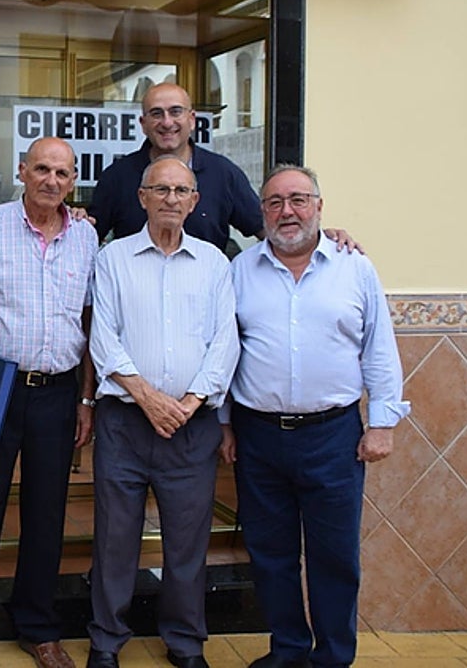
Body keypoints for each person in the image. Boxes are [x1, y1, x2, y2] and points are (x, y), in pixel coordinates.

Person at [219, 165, 409, 668]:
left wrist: (384, 423)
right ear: (261, 213)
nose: (287, 211)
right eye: (275, 202)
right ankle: (287, 651)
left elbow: (379, 349)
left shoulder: (354, 268)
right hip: (258, 437)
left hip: (333, 437)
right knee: (270, 555)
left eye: (299, 199)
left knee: (334, 557)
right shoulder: (240, 271)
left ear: (320, 206)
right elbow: (224, 350)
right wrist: (224, 423)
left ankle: (333, 657)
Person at [0, 137, 99, 668]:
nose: (52, 180)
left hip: (57, 393)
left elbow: (90, 322)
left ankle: (38, 626)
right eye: (43, 169)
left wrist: (85, 398)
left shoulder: (86, 239)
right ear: (23, 172)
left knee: (47, 513)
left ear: (73, 181)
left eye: (63, 173)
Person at [86, 156, 239, 668]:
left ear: (195, 202)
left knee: (188, 543)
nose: (171, 198)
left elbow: (225, 343)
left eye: (181, 190)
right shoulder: (113, 259)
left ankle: (185, 643)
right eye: (161, 189)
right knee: (114, 540)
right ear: (142, 197)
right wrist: (150, 398)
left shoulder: (216, 263)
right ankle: (106, 642)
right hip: (125, 423)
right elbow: (102, 337)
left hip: (191, 429)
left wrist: (190, 402)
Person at [85, 83, 357, 255]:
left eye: (176, 112)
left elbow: (272, 229)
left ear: (192, 119)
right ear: (143, 123)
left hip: (208, 309)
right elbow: (87, 241)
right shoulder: (117, 177)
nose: (167, 122)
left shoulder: (223, 174)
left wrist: (322, 239)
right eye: (157, 113)